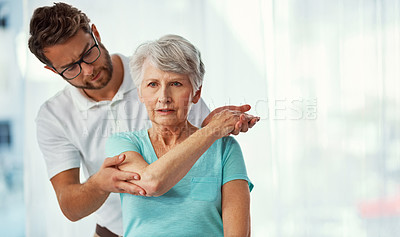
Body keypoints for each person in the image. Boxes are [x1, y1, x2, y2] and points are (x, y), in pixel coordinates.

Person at [28, 2, 258, 237]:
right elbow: (70, 206)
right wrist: (99, 184)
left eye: (88, 53)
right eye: (70, 68)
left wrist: (216, 127)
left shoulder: (155, 68)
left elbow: (201, 143)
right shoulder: (54, 116)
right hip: (112, 230)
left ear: (95, 34)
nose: (87, 70)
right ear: (54, 71)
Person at [105, 34, 253, 237]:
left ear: (196, 92)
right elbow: (151, 183)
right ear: (140, 93)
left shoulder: (225, 149)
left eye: (176, 84)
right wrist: (211, 130)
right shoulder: (122, 143)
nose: (163, 97)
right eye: (153, 84)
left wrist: (212, 134)